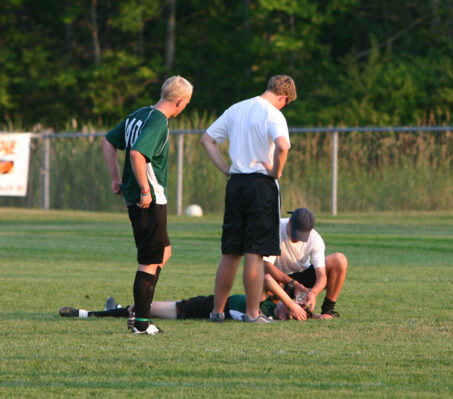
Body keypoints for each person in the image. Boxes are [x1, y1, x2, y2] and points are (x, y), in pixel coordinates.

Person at [200, 75, 296, 323]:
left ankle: (217, 311)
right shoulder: (274, 115)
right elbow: (283, 146)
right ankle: (252, 314)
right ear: (284, 97)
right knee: (254, 253)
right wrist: (277, 171)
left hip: (236, 185)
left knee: (230, 251)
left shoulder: (236, 109)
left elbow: (207, 139)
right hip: (260, 186)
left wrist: (225, 168)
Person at [102, 75, 193, 335]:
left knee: (163, 252)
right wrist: (144, 189)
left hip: (139, 194)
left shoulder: (139, 114)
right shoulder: (158, 121)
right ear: (180, 101)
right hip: (148, 198)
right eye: (186, 102)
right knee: (149, 260)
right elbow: (136, 153)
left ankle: (142, 308)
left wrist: (115, 179)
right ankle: (141, 322)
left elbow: (108, 141)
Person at [58, 274, 314, 322]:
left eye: (290, 316)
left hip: (205, 311)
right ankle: (97, 312)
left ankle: (91, 313)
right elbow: (268, 279)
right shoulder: (268, 300)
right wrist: (292, 300)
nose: (286, 313)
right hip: (206, 303)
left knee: (142, 309)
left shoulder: (268, 317)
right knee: (142, 308)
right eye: (288, 309)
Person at [263, 208, 348, 318]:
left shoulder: (315, 238)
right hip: (280, 280)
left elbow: (321, 276)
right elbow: (266, 266)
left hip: (303, 277)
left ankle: (328, 310)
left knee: (339, 260)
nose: (297, 239)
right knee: (266, 278)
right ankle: (279, 308)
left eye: (302, 235)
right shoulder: (275, 230)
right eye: (295, 234)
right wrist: (294, 284)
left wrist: (313, 293)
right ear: (290, 222)